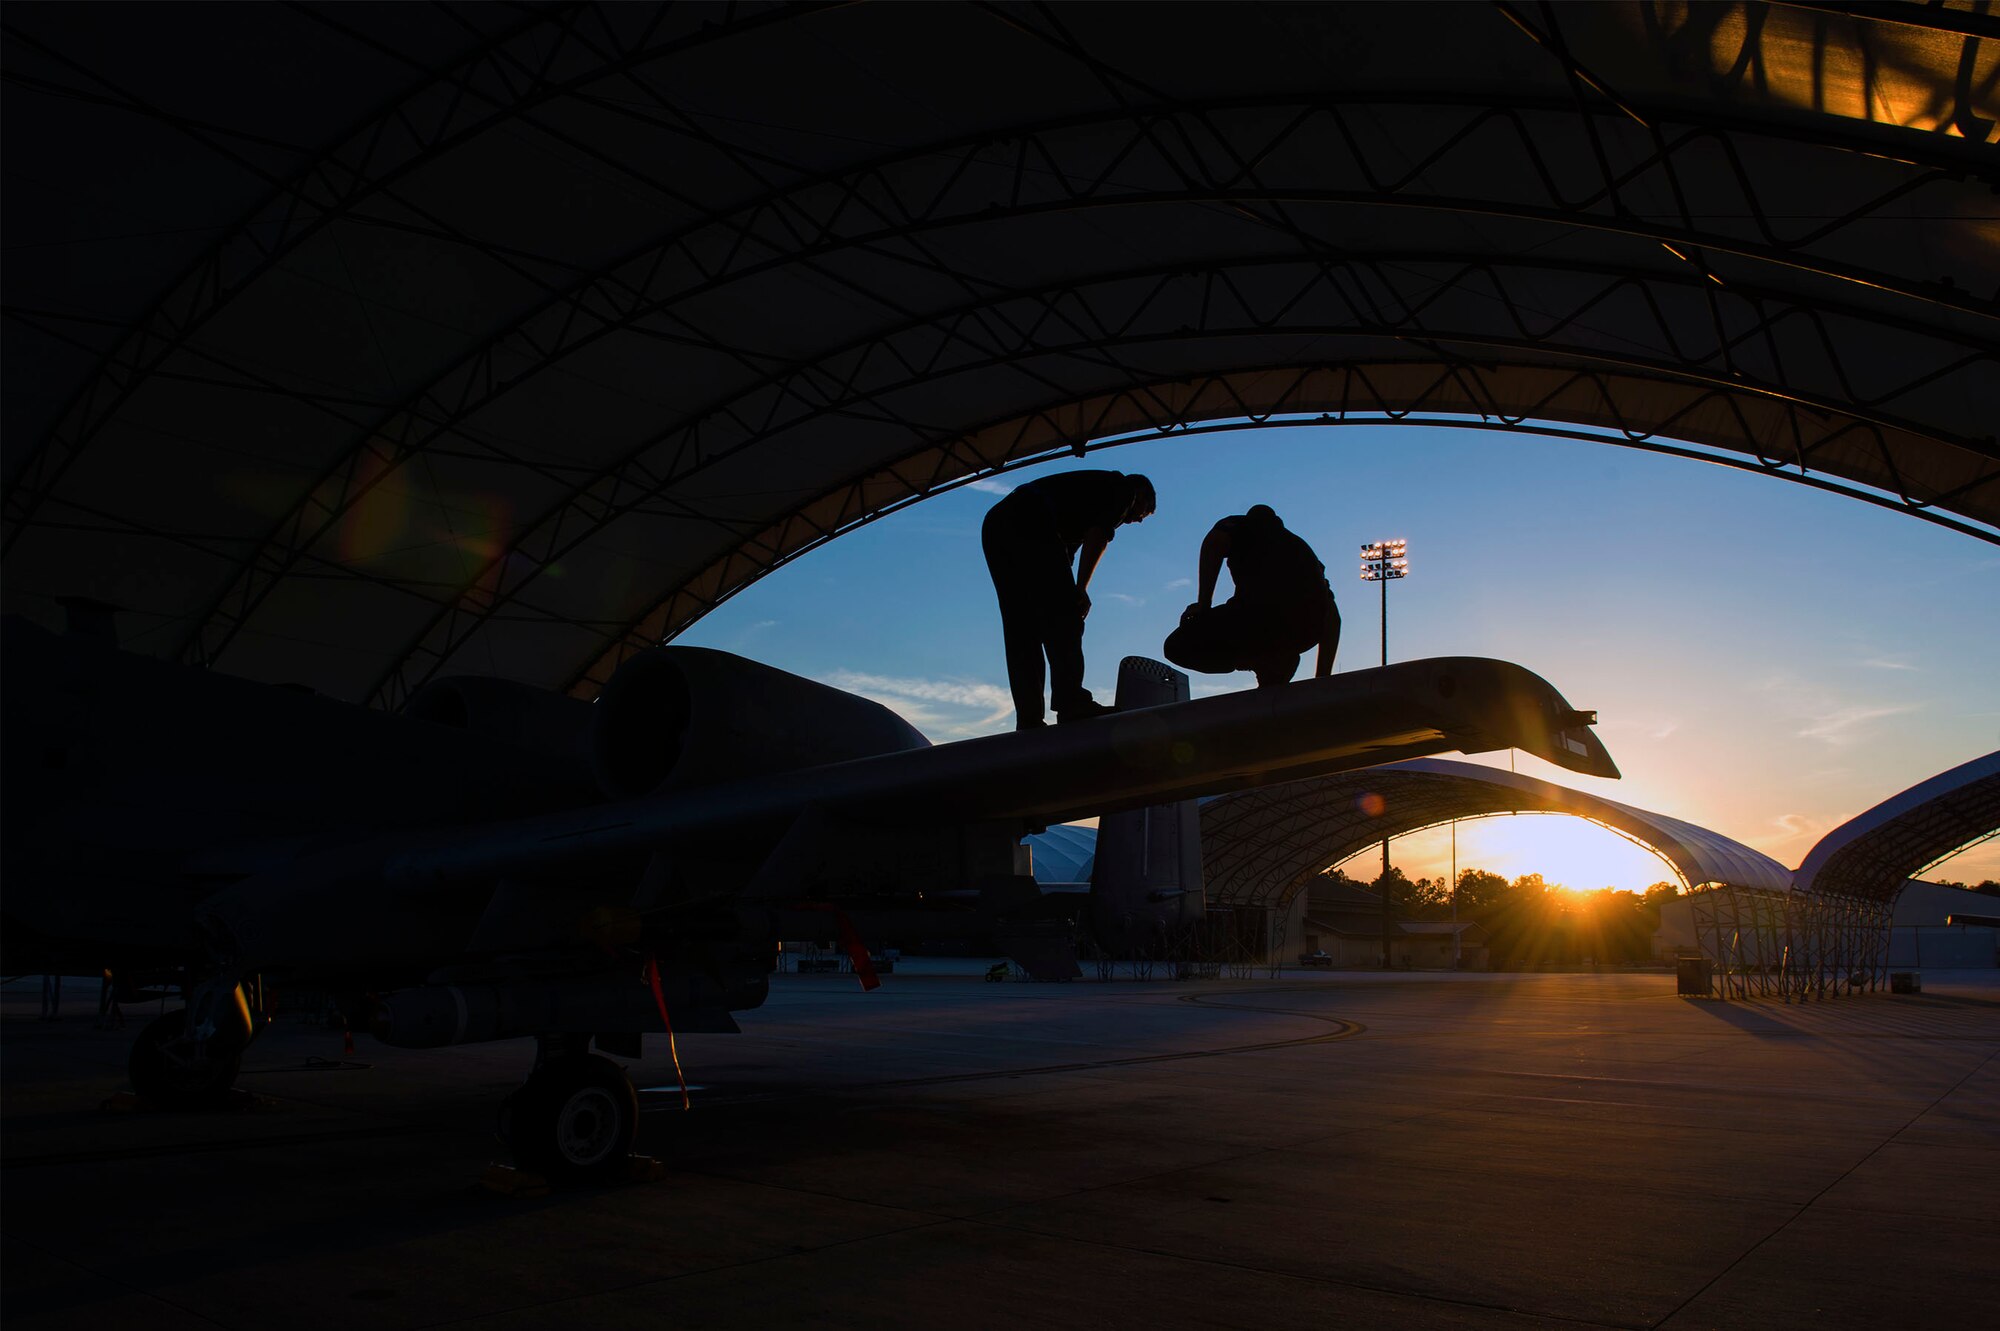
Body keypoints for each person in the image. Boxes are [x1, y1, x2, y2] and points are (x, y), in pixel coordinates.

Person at [982, 469, 1156, 728]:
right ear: (1140, 495)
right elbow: (1098, 537)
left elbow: (1062, 560)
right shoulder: (1122, 490)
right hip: (1030, 520)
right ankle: (1071, 701)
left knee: (1022, 629)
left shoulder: (1080, 503)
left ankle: (1029, 717)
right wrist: (1080, 590)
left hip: (998, 524)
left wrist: (1070, 589)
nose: (1138, 520)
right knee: (1066, 618)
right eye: (1144, 511)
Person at [1163, 504, 1340, 688]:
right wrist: (1322, 679)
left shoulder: (1246, 525)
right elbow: (1333, 618)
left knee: (1176, 646)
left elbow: (1215, 541)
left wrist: (1204, 604)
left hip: (1256, 619)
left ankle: (1258, 659)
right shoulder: (1307, 555)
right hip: (1299, 630)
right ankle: (1270, 662)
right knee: (1269, 634)